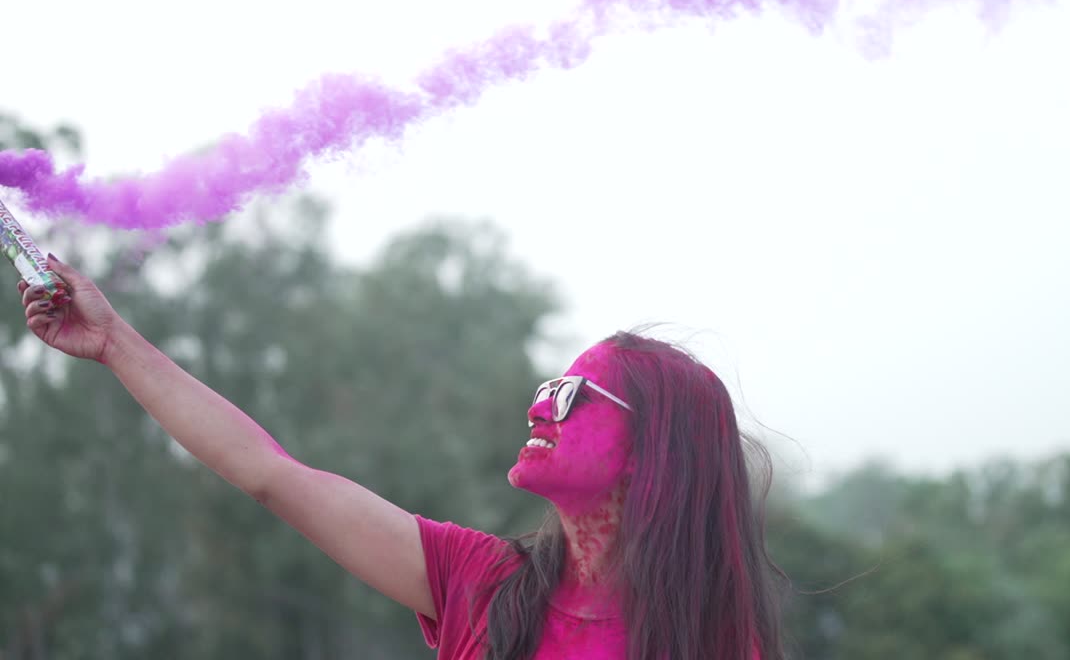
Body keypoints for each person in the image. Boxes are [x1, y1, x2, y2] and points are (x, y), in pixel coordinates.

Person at [18, 254, 787, 659]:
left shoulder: (715, 643)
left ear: (650, 453)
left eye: (570, 394)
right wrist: (115, 343)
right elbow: (271, 474)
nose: (538, 404)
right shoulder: (481, 583)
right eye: (548, 383)